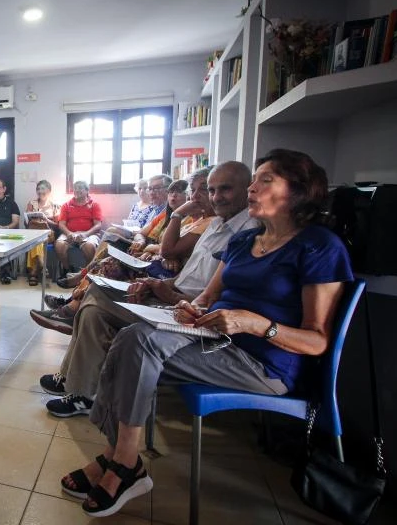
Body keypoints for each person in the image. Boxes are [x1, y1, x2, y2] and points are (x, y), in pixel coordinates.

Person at [64, 148, 352, 518]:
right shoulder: (244, 242)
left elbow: (318, 340)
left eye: (266, 180)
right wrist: (190, 309)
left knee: (138, 344)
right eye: (255, 179)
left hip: (263, 363)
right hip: (213, 340)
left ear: (299, 191)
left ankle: (119, 461)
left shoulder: (319, 248)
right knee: (132, 337)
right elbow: (207, 298)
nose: (253, 188)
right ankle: (122, 459)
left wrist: (254, 323)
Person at [40, 161, 258, 417]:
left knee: (95, 301)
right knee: (95, 298)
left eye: (224, 189)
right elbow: (183, 274)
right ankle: (77, 386)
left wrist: (169, 291)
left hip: (187, 311)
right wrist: (155, 285)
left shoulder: (246, 234)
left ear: (248, 189)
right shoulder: (215, 226)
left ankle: (77, 380)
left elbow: (210, 296)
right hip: (170, 293)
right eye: (209, 190)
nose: (213, 197)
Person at [30, 173, 212, 335]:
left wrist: (153, 249)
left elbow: (166, 249)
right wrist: (142, 241)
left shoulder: (187, 218)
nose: (152, 193)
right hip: (145, 253)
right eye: (151, 189)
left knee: (108, 257)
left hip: (153, 263)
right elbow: (145, 233)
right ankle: (72, 300)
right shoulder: (169, 214)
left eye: (177, 193)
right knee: (107, 250)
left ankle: (73, 299)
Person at [53, 181, 104, 277]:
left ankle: (86, 274)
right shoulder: (66, 205)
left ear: (87, 191)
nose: (77, 190)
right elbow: (61, 224)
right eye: (75, 188)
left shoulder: (94, 204)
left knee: (90, 246)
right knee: (59, 245)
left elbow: (98, 225)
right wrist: (68, 233)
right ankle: (67, 270)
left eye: (80, 188)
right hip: (70, 233)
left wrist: (86, 234)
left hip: (89, 234)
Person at [23, 179, 61, 286]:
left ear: (49, 191)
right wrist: (28, 218)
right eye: (38, 189)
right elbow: (26, 223)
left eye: (43, 188)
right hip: (33, 232)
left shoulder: (55, 206)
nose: (40, 191)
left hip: (48, 233)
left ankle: (33, 273)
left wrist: (46, 219)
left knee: (37, 240)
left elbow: (58, 225)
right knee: (36, 240)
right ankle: (41, 265)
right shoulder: (32, 203)